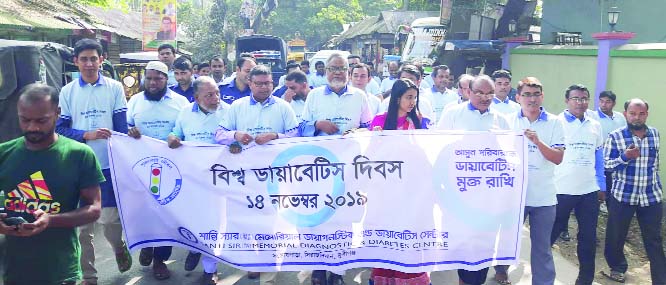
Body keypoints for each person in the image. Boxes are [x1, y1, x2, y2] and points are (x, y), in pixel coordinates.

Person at [0, 83, 103, 284]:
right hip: (14, 270)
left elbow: (94, 208)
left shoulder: (79, 155)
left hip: (62, 271)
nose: (32, 127)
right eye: (25, 120)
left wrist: (51, 220)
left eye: (41, 120)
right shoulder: (4, 153)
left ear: (57, 113)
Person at [55, 38, 131, 285]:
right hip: (77, 167)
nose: (89, 63)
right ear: (76, 62)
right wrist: (85, 135)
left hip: (107, 167)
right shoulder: (66, 92)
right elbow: (59, 128)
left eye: (93, 58)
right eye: (84, 59)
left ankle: (118, 248)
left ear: (102, 60)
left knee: (110, 221)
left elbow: (120, 127)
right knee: (82, 229)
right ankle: (89, 277)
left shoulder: (114, 88)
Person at [214, 65, 298, 283]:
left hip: (274, 174)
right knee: (248, 220)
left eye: (268, 83)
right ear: (249, 83)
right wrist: (236, 134)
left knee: (271, 221)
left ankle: (267, 269)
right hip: (244, 175)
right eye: (259, 83)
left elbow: (295, 134)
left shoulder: (283, 107)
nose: (264, 87)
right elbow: (219, 134)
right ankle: (255, 260)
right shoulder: (237, 107)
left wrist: (274, 136)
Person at [300, 53, 372, 285]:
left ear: (348, 72)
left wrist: (359, 132)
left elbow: (370, 126)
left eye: (342, 68)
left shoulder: (359, 96)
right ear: (326, 71)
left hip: (350, 168)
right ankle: (319, 267)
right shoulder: (314, 95)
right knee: (321, 216)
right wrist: (318, 125)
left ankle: (338, 272)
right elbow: (301, 126)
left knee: (346, 216)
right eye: (333, 68)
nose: (338, 73)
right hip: (319, 168)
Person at [437, 75, 511, 285]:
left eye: (489, 93)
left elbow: (509, 155)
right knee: (462, 243)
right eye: (479, 92)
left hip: (487, 196)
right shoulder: (453, 114)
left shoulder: (501, 120)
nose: (485, 97)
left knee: (483, 244)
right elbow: (438, 148)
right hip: (458, 191)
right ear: (468, 92)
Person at [127, 61, 190, 280]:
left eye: (158, 78)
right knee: (143, 211)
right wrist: (130, 131)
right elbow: (123, 130)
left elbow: (185, 131)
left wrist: (177, 138)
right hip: (141, 168)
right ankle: (147, 245)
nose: (153, 83)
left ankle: (160, 260)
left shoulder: (180, 103)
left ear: (167, 79)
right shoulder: (134, 101)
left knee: (166, 215)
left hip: (172, 170)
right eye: (150, 78)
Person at [499, 77, 565, 285]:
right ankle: (501, 270)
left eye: (536, 94)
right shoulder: (507, 121)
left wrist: (537, 141)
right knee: (506, 242)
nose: (532, 99)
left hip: (543, 197)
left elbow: (558, 158)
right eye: (527, 94)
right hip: (514, 196)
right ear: (517, 97)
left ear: (542, 96)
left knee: (542, 247)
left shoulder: (555, 122)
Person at [166, 76, 229, 284]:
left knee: (214, 223)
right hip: (191, 178)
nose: (215, 98)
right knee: (194, 221)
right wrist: (173, 138)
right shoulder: (185, 113)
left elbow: (236, 138)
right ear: (196, 97)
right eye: (209, 95)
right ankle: (196, 248)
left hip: (219, 178)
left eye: (217, 93)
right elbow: (176, 133)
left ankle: (210, 269)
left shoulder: (228, 112)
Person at [366, 78, 430, 285]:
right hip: (385, 190)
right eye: (408, 97)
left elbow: (428, 151)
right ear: (396, 99)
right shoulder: (380, 121)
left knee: (409, 234)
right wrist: (375, 139)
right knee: (386, 235)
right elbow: (370, 155)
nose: (412, 102)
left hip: (412, 190)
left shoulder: (420, 121)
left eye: (415, 98)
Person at [602, 98, 666, 284]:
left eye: (641, 113)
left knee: (654, 240)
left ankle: (660, 279)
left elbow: (655, 164)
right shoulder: (616, 136)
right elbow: (607, 165)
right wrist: (625, 157)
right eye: (632, 113)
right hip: (623, 196)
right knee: (616, 236)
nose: (637, 117)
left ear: (647, 114)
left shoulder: (655, 134)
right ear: (625, 114)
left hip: (651, 196)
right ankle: (617, 268)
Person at [550, 84, 605, 285]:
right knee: (550, 235)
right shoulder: (556, 122)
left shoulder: (595, 125)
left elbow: (599, 156)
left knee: (588, 240)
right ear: (567, 100)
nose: (580, 102)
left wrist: (602, 184)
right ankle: (542, 276)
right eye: (576, 98)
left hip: (588, 191)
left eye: (584, 99)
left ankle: (585, 280)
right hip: (561, 190)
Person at [588, 91, 627, 194]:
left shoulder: (620, 117)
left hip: (616, 158)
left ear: (614, 103)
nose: (604, 104)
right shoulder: (593, 116)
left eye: (608, 102)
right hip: (599, 156)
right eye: (601, 101)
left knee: (613, 186)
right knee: (599, 185)